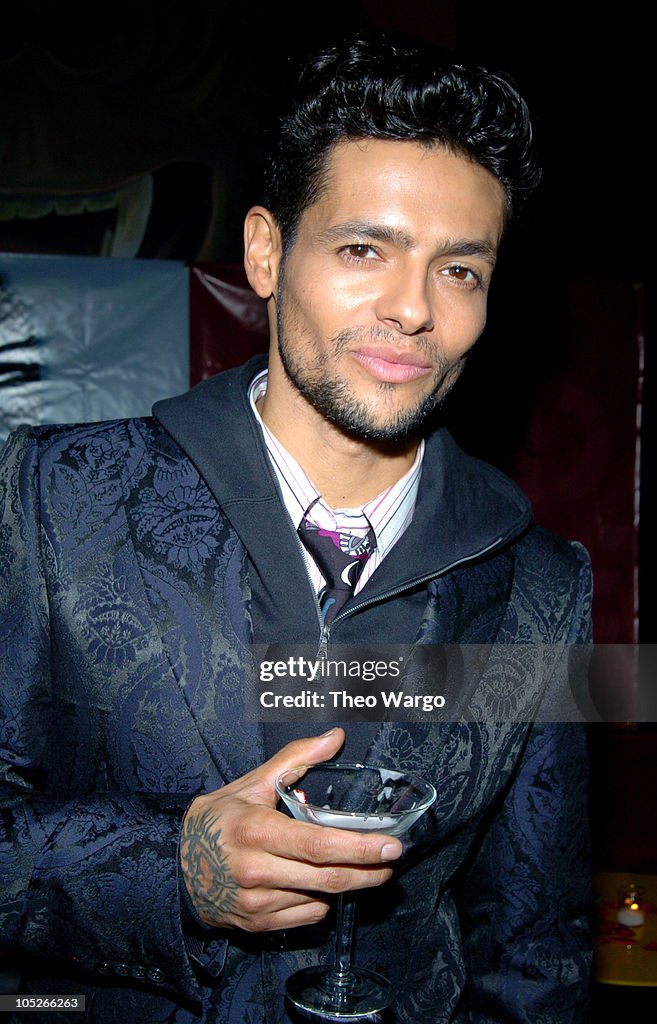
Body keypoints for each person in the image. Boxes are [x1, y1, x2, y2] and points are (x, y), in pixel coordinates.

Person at [0, 29, 592, 1024]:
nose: (413, 310)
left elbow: (534, 947)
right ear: (267, 252)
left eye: (459, 269)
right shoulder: (57, 496)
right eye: (366, 248)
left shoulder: (540, 586)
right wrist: (169, 868)